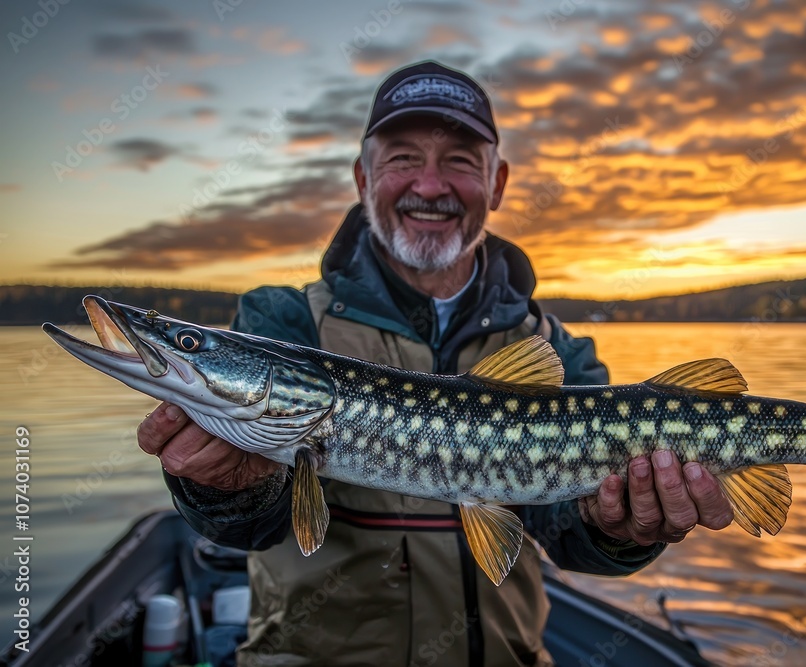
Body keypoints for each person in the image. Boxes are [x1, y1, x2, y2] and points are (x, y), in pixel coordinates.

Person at [137, 60, 733, 667]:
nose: (428, 185)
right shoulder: (283, 325)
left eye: (459, 161)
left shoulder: (557, 350)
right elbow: (250, 529)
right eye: (401, 159)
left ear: (496, 184)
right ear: (363, 180)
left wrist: (619, 525)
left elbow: (571, 534)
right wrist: (222, 490)